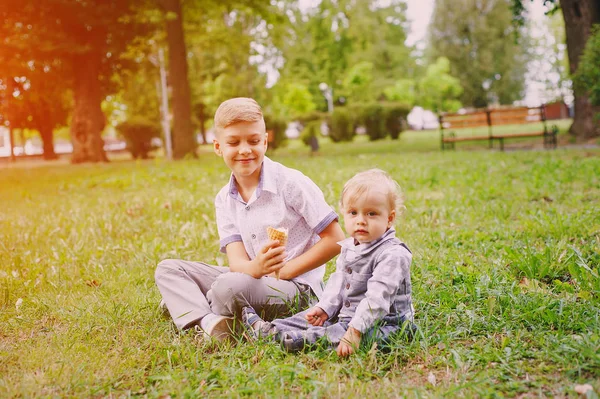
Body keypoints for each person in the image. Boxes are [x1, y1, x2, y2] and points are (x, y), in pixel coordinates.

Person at [155, 97, 345, 341]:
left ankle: (186, 302)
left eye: (253, 141)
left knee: (227, 288)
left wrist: (284, 271)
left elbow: (336, 240)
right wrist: (255, 269)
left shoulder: (290, 183)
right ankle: (210, 321)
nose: (244, 149)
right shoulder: (224, 198)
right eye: (233, 142)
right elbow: (237, 262)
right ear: (218, 147)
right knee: (169, 269)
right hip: (251, 277)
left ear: (265, 141)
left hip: (294, 287)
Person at [242, 169, 415, 357]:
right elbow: (338, 282)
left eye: (371, 214)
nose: (361, 221)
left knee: (348, 334)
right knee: (311, 318)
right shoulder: (350, 246)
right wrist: (325, 308)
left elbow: (377, 300)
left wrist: (355, 330)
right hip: (346, 314)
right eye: (353, 213)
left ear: (389, 218)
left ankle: (296, 340)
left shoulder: (393, 254)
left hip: (385, 322)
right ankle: (271, 329)